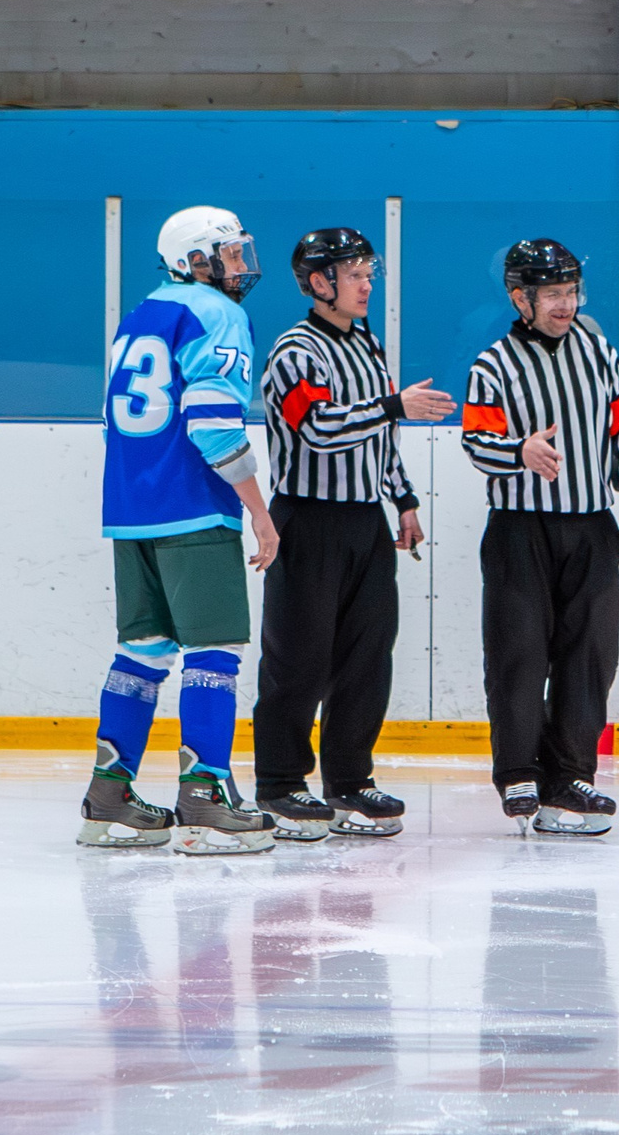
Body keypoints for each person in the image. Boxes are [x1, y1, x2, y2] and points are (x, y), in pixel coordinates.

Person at [78, 206, 282, 856]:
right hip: (192, 506)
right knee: (215, 651)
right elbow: (214, 424)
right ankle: (205, 793)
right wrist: (258, 508)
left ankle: (109, 794)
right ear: (195, 258)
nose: (240, 264)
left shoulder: (138, 315)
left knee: (142, 648)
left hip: (130, 510)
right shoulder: (216, 313)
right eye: (228, 252)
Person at [250, 226, 456, 839]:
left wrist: (405, 500)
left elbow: (379, 439)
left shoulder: (368, 345)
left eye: (370, 274)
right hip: (307, 521)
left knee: (368, 656)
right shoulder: (294, 351)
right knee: (299, 657)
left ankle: (349, 779)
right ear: (319, 282)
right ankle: (282, 782)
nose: (368, 285)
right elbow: (318, 427)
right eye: (355, 274)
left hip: (365, 521)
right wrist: (393, 406)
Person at [459, 238, 619, 835]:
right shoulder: (493, 364)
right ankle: (518, 771)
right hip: (521, 529)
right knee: (520, 653)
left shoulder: (597, 350)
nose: (564, 304)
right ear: (521, 298)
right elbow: (475, 440)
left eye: (570, 292)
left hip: (592, 527)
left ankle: (571, 777)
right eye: (552, 294)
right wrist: (521, 450)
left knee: (591, 656)